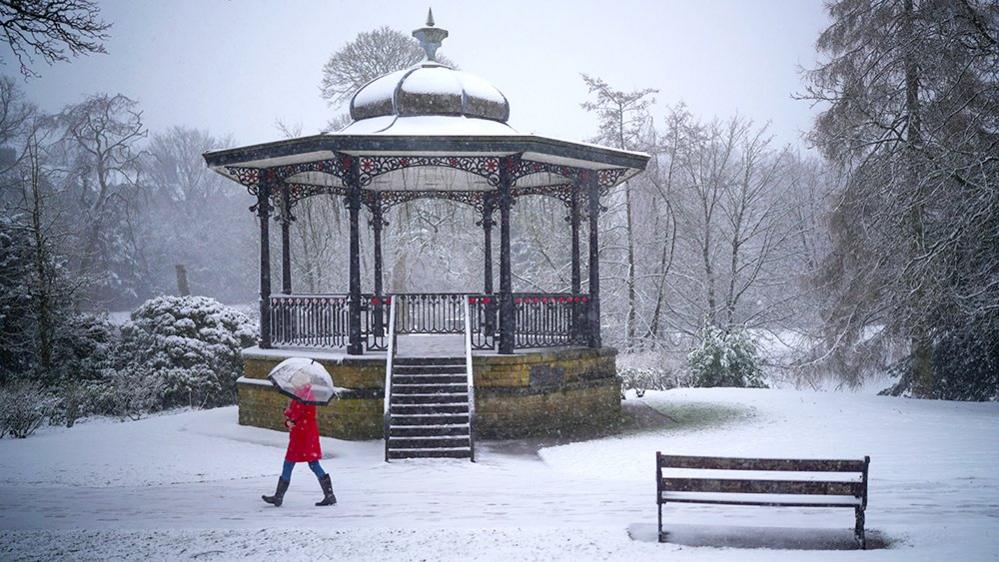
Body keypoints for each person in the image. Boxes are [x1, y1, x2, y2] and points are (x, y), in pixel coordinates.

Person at [262, 374, 336, 507]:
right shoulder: (300, 395)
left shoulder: (306, 397)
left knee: (290, 463)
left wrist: (291, 420)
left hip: (302, 437)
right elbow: (294, 415)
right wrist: (288, 414)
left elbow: (299, 416)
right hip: (304, 436)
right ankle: (329, 495)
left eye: (295, 383)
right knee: (312, 463)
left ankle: (279, 497)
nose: (294, 385)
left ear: (301, 383)